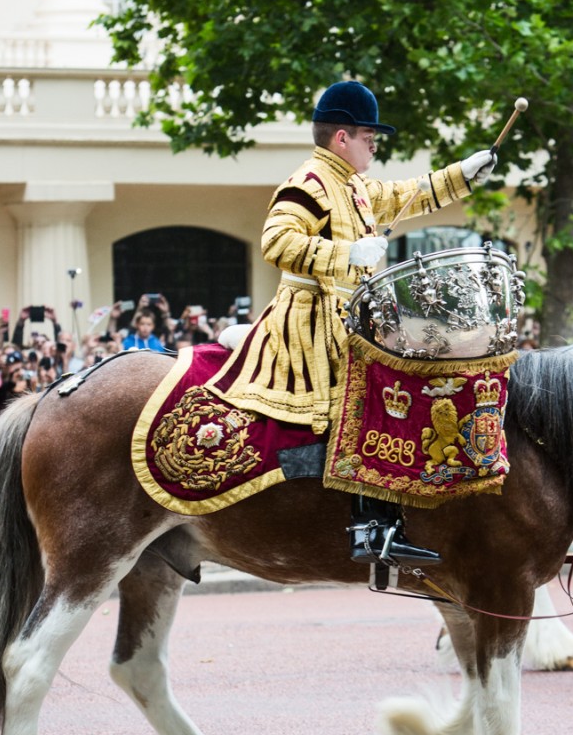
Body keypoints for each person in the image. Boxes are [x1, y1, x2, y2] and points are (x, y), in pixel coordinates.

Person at [207, 80, 497, 564]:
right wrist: (347, 253)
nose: (375, 145)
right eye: (369, 137)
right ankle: (370, 527)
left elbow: (408, 195)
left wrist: (463, 174)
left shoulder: (352, 185)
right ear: (342, 138)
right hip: (310, 323)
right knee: (370, 395)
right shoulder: (310, 183)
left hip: (347, 320)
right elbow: (275, 243)